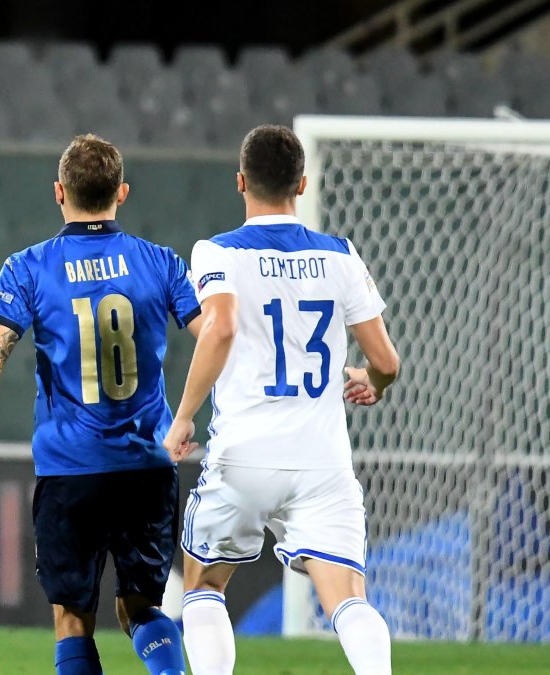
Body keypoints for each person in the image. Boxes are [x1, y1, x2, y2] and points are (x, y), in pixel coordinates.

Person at [0, 134, 198, 675]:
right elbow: (213, 335)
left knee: (72, 616)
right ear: (121, 192)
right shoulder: (161, 263)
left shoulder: (29, 268)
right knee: (142, 605)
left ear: (59, 193)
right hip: (148, 462)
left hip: (71, 468)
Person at [163, 125, 401, 675]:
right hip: (321, 460)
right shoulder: (341, 256)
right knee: (347, 599)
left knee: (203, 586)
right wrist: (373, 382)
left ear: (241, 182)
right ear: (303, 183)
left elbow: (218, 330)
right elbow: (385, 362)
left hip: (245, 453)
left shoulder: (217, 252)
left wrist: (182, 418)